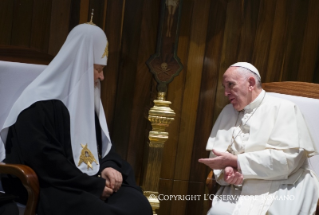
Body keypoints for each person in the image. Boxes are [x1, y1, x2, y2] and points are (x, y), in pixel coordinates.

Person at [0, 22, 152, 215]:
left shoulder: (85, 104)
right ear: (81, 66)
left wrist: (108, 167)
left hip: (91, 183)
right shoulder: (37, 105)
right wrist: (92, 184)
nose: (102, 77)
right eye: (98, 69)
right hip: (56, 187)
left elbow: (103, 147)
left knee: (138, 204)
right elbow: (46, 162)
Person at [198, 62, 319, 215]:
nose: (226, 92)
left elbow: (288, 161)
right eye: (224, 87)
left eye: (231, 85)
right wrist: (228, 170)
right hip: (238, 187)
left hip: (282, 186)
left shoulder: (284, 108)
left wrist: (237, 162)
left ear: (251, 83)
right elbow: (217, 154)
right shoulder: (228, 112)